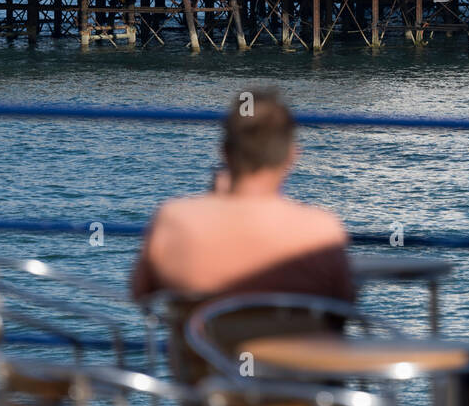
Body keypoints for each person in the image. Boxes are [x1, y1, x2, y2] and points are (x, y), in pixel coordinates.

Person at [131, 89, 353, 304]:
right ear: (292, 155)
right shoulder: (320, 229)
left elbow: (140, 292)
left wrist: (212, 206)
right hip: (288, 341)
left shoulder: (175, 219)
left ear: (224, 152)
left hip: (202, 342)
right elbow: (344, 302)